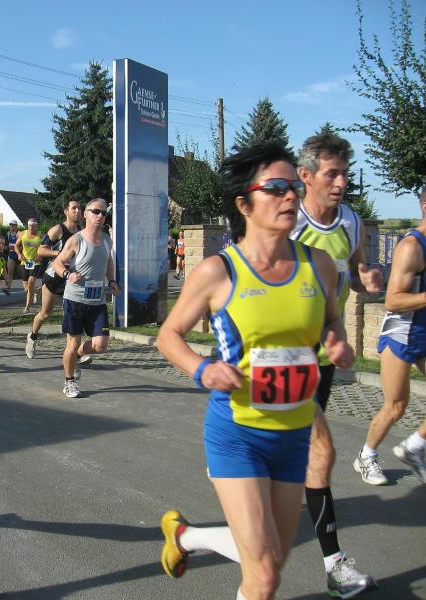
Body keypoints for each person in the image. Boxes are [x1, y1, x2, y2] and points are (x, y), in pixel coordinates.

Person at [156, 144, 353, 600]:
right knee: (263, 574)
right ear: (244, 204)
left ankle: (186, 536)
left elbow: (331, 320)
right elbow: (168, 336)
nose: (291, 196)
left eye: (294, 187)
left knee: (270, 566)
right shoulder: (218, 272)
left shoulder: (318, 265)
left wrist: (336, 340)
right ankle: (190, 538)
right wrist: (203, 369)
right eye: (277, 188)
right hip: (238, 434)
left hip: (294, 436)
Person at [290, 133, 379, 597]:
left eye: (345, 172)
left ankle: (198, 532)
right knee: (319, 453)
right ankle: (335, 564)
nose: (342, 182)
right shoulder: (288, 223)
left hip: (324, 358)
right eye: (332, 174)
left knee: (304, 457)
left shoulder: (351, 221)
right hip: (285, 358)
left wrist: (366, 276)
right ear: (305, 176)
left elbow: (357, 269)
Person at [354, 186, 426, 485]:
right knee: (396, 405)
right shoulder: (411, 247)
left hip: (424, 332)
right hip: (401, 333)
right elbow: (393, 300)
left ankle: (413, 447)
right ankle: (366, 456)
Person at [52, 198, 120, 398]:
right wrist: (68, 274)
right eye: (96, 211)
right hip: (75, 300)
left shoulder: (107, 239)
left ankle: (78, 356)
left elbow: (108, 262)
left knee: (101, 345)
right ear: (86, 214)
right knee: (72, 343)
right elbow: (57, 263)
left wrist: (112, 281)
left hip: (97, 301)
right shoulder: (76, 240)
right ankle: (69, 381)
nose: (100, 216)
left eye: (103, 213)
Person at [25, 198, 81, 358]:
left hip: (71, 278)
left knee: (72, 314)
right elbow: (41, 251)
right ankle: (32, 336)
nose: (78, 211)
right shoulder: (58, 229)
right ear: (66, 211)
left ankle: (74, 353)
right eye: (74, 208)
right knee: (45, 313)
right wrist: (59, 254)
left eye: (79, 208)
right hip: (54, 277)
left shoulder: (81, 232)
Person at [15, 217, 42, 315]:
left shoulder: (40, 235)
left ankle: (27, 308)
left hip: (36, 263)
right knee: (26, 289)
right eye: (30, 226)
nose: (31, 228)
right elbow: (16, 246)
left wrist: (40, 255)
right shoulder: (23, 234)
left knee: (30, 283)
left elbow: (46, 247)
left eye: (33, 226)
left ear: (37, 226)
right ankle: (36, 291)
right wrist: (19, 254)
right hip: (25, 262)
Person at [4, 220, 20, 294]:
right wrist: (5, 248)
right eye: (10, 224)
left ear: (16, 226)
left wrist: (18, 249)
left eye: (13, 225)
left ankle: (28, 289)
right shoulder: (8, 234)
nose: (11, 226)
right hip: (11, 256)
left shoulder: (19, 234)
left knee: (22, 274)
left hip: (20, 256)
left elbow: (23, 244)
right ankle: (8, 288)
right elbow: (6, 245)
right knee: (10, 272)